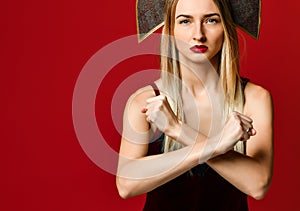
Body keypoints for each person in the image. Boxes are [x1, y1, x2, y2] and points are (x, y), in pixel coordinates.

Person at [116, 0, 273, 210]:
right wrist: (217, 146)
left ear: (226, 27)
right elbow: (126, 185)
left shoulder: (254, 98)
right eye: (185, 21)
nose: (198, 34)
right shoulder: (145, 102)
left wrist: (178, 130)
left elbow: (258, 185)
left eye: (211, 20)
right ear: (170, 29)